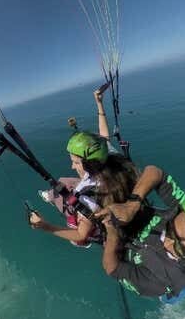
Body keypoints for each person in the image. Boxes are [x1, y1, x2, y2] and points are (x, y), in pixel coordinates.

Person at [96, 165, 185, 302]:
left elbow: (112, 268)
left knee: (171, 297)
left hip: (160, 277)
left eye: (180, 248)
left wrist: (112, 233)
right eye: (169, 229)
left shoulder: (160, 282)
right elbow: (155, 172)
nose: (166, 242)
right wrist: (132, 204)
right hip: (135, 232)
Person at [28, 89, 140, 247]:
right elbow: (104, 137)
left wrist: (45, 226)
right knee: (63, 181)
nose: (72, 166)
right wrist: (99, 104)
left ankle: (55, 200)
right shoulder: (113, 159)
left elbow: (81, 235)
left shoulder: (86, 196)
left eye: (75, 162)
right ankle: (52, 196)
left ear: (89, 165)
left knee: (64, 192)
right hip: (116, 193)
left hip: (96, 215)